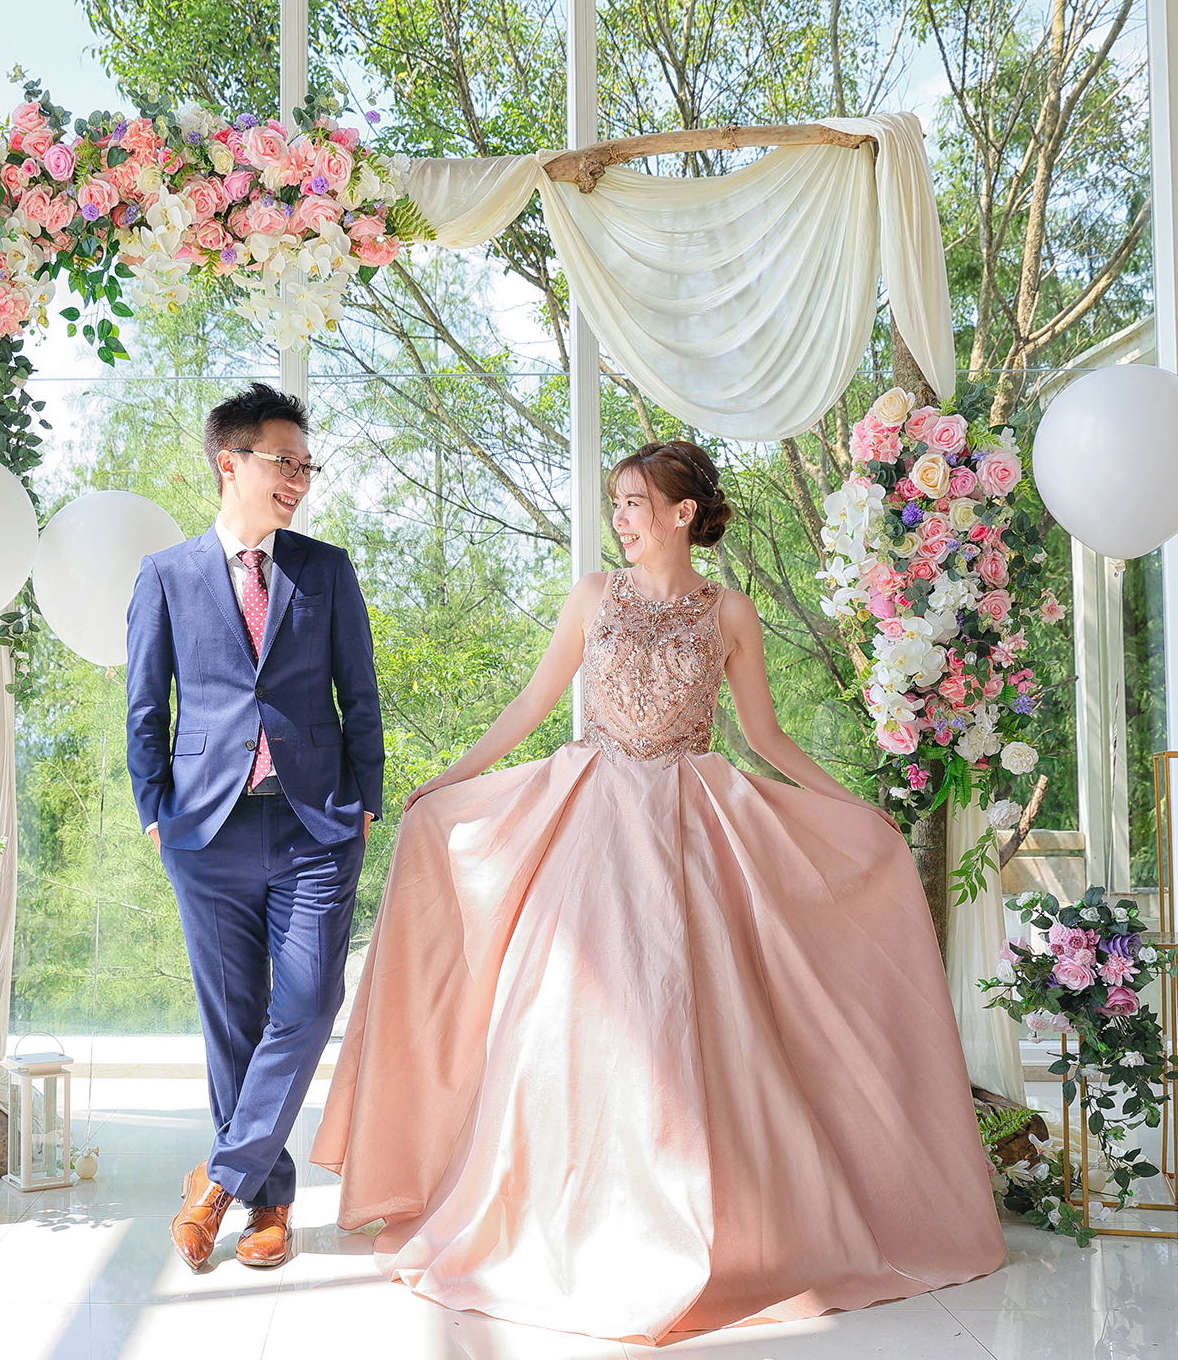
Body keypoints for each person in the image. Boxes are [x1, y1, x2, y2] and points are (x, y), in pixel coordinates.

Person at [312, 439, 1005, 1343]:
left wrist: (853, 808)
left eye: (636, 502)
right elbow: (530, 705)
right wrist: (450, 779)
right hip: (592, 821)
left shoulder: (732, 612)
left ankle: (701, 1216)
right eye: (617, 501)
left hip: (688, 827)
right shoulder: (593, 596)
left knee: (692, 1021)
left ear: (683, 514)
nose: (622, 518)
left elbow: (765, 738)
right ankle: (566, 1221)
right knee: (564, 1020)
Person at [125, 382, 384, 1273]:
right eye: (285, 461)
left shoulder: (326, 569)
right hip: (207, 828)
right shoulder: (165, 575)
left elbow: (359, 692)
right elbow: (145, 707)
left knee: (310, 1002)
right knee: (233, 1019)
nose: (300, 480)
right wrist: (154, 811)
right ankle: (267, 1201)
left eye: (308, 465)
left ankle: (216, 1182)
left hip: (316, 824)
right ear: (229, 462)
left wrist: (366, 798)